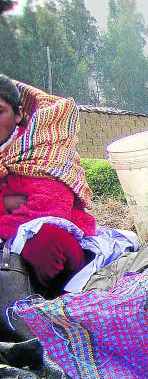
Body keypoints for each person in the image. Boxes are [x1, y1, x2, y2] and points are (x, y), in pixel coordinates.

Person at [0, 75, 96, 300]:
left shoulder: (42, 150)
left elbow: (48, 209)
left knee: (46, 240)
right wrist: (6, 203)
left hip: (57, 252)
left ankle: (45, 302)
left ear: (19, 114)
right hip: (8, 238)